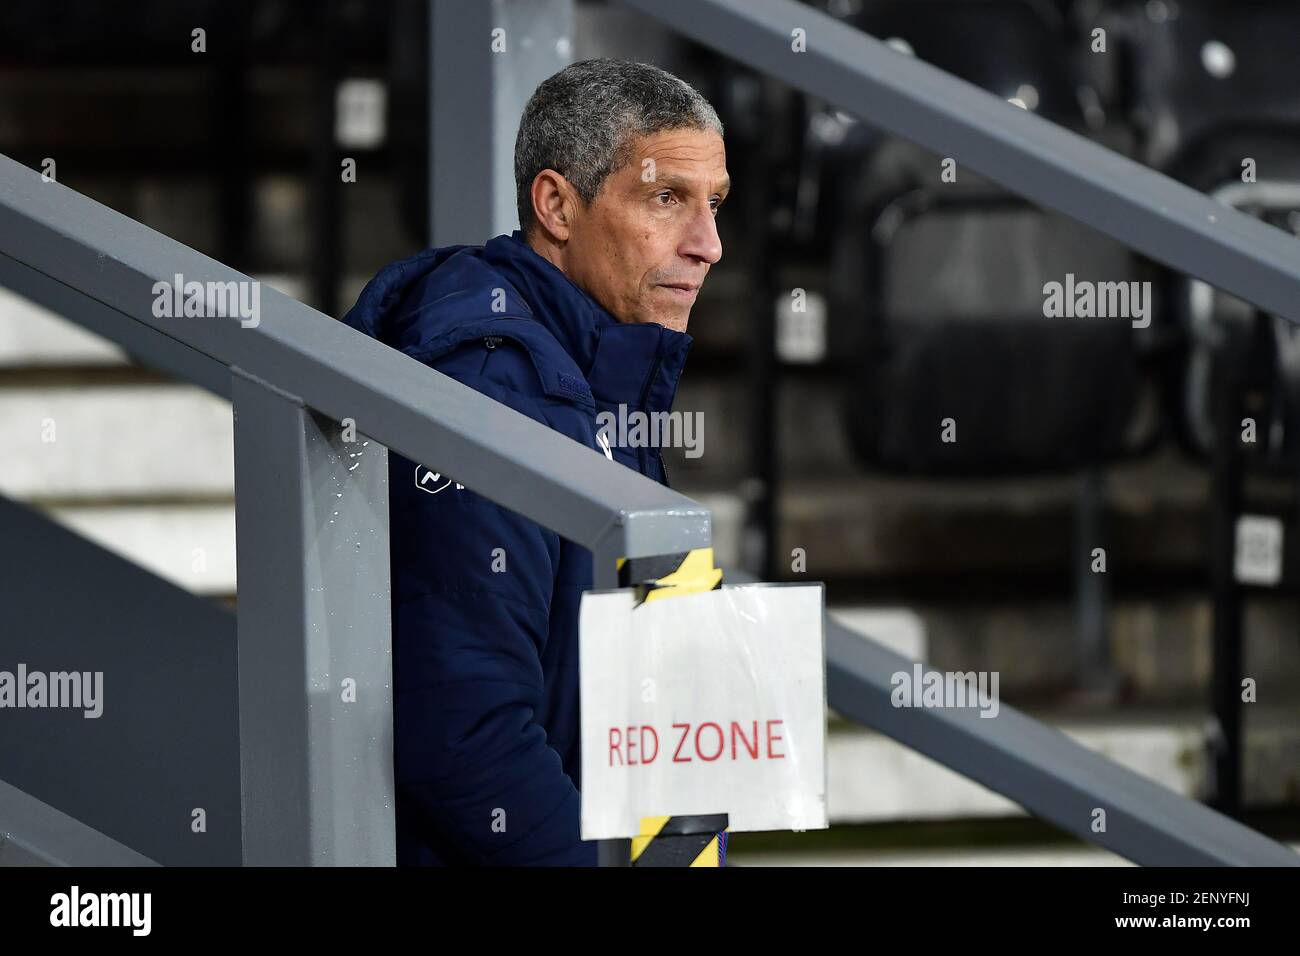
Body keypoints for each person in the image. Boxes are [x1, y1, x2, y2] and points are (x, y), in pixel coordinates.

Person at [343, 57, 729, 865]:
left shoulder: (596, 365)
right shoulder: (496, 386)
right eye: (667, 199)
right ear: (556, 204)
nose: (709, 246)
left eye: (714, 205)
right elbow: (465, 736)